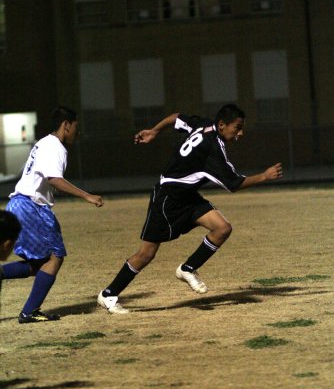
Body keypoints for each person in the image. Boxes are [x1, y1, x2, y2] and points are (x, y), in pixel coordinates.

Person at [97, 104, 283, 314]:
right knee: (146, 254)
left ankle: (187, 269)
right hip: (167, 198)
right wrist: (265, 176)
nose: (241, 132)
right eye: (238, 127)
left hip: (187, 197)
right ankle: (108, 294)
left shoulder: (205, 125)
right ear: (222, 125)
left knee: (222, 228)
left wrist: (155, 130)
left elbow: (176, 117)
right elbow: (234, 184)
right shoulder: (213, 149)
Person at [2, 106, 103, 323]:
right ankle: (29, 312)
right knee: (55, 256)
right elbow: (54, 179)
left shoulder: (44, 143)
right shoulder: (54, 145)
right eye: (76, 126)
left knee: (41, 262)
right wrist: (87, 196)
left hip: (22, 204)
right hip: (30, 207)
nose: (77, 131)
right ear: (66, 124)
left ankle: (26, 306)